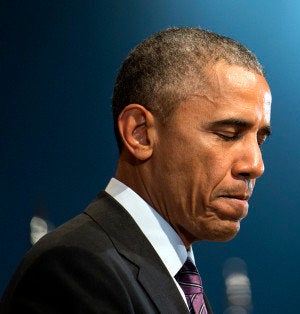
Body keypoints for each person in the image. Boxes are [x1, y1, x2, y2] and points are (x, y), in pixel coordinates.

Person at [0, 27, 272, 313]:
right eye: (228, 134)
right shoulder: (75, 271)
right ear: (139, 133)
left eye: (260, 141)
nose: (255, 165)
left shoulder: (172, 275)